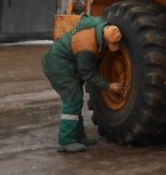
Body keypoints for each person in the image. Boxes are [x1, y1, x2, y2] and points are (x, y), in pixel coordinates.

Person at [42, 16, 124, 152]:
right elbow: (87, 74)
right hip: (58, 66)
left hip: (65, 62)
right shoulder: (87, 47)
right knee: (73, 99)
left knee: (76, 101)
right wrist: (108, 86)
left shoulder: (99, 25)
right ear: (104, 37)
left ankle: (79, 136)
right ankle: (66, 141)